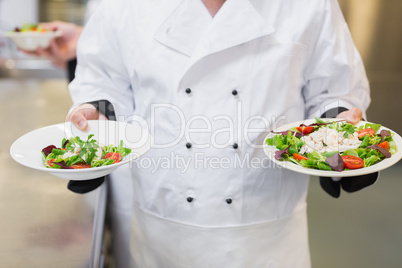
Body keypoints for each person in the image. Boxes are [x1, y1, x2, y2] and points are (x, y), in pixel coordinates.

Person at [66, 0, 378, 267]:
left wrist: (339, 130)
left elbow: (334, 90)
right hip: (161, 239)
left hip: (267, 243)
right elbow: (104, 81)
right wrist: (97, 121)